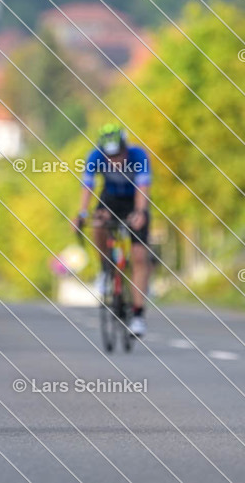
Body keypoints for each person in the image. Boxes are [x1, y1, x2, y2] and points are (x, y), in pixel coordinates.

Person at [75, 124, 152, 337]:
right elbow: (88, 186)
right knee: (97, 223)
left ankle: (137, 315)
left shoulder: (138, 156)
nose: (115, 161)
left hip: (134, 200)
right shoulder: (95, 156)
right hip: (110, 200)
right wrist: (82, 214)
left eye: (118, 155)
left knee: (138, 256)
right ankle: (104, 267)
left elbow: (143, 187)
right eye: (110, 157)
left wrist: (139, 212)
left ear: (125, 148)